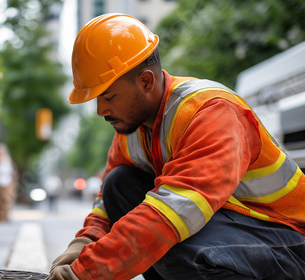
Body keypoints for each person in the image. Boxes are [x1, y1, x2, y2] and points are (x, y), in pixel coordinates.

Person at [48, 13, 305, 280]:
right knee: (118, 183)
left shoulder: (211, 112)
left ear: (146, 81)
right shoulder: (131, 127)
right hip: (235, 227)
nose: (101, 110)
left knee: (172, 238)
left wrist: (85, 273)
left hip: (288, 238)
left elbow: (171, 214)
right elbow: (107, 199)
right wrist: (85, 243)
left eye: (109, 96)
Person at [0, 143, 17, 222]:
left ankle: (5, 217)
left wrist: (13, 182)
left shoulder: (8, 159)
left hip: (7, 183)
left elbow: (13, 172)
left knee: (6, 201)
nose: (0, 153)